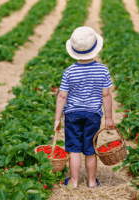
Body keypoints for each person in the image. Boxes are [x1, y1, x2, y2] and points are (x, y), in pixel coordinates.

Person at [54, 26, 115, 189]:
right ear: (95, 49)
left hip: (72, 114)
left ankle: (73, 181)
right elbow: (106, 95)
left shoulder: (69, 71)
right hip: (93, 115)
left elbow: (62, 96)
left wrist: (57, 119)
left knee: (74, 149)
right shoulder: (103, 70)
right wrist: (108, 118)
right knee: (90, 149)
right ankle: (92, 181)